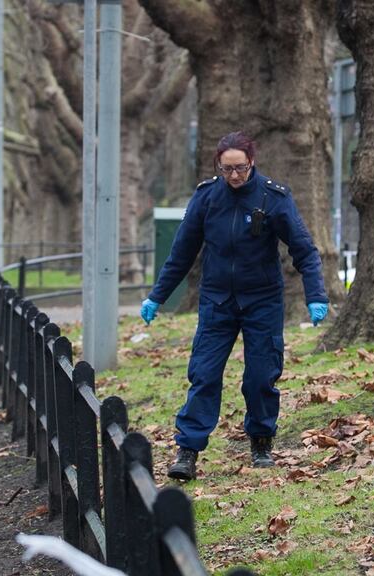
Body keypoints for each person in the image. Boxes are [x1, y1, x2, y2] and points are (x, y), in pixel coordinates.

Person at [141, 132, 330, 481]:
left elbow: (303, 249)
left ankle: (261, 440)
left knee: (260, 375)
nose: (234, 176)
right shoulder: (207, 198)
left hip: (262, 300)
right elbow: (182, 252)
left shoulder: (273, 197)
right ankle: (188, 449)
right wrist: (158, 295)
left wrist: (315, 295)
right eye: (226, 169)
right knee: (204, 375)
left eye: (240, 168)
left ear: (252, 162)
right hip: (217, 300)